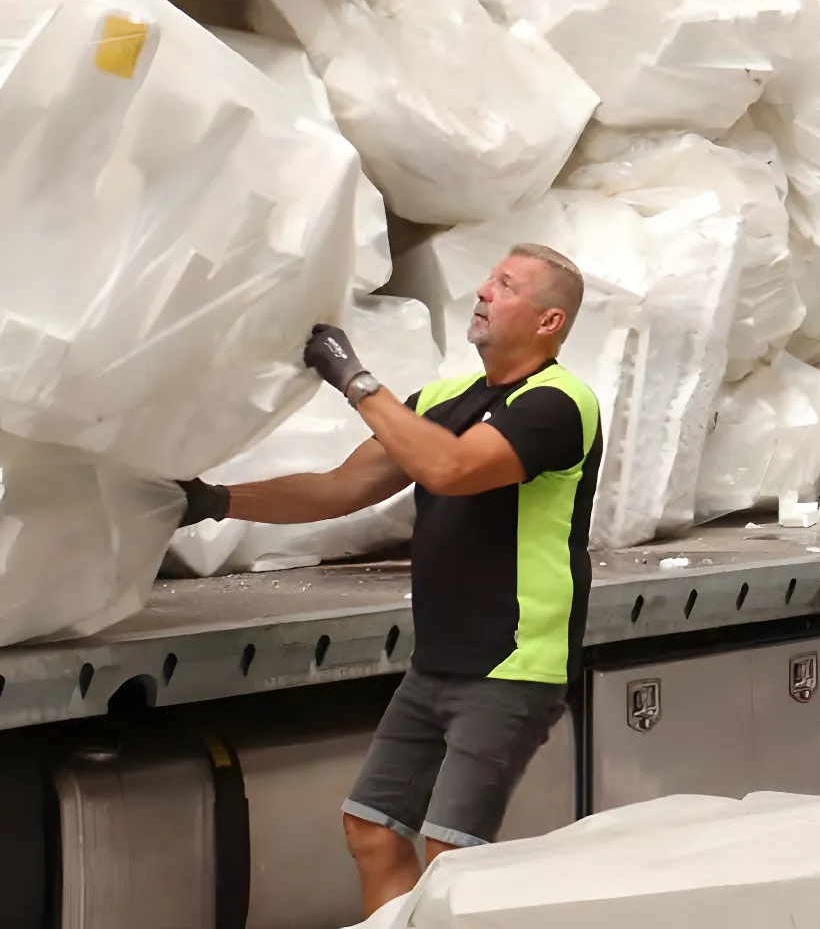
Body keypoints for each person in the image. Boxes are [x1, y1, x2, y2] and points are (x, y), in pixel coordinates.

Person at [175, 243, 602, 916]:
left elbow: (453, 470)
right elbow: (341, 486)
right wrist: (216, 501)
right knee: (372, 830)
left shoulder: (559, 404)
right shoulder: (443, 399)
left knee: (453, 858)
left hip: (512, 664)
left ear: (549, 322)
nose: (485, 291)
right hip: (436, 662)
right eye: (488, 277)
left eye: (507, 285)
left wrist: (356, 382)